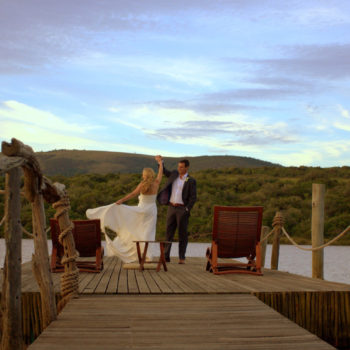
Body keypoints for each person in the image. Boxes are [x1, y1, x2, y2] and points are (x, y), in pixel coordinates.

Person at [86, 158, 163, 263]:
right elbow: (160, 173)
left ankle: (142, 254)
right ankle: (147, 256)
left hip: (141, 210)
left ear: (145, 175)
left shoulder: (142, 184)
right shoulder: (156, 183)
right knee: (148, 233)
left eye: (143, 174)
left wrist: (121, 200)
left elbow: (132, 194)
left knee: (137, 229)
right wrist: (160, 163)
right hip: (151, 211)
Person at [156, 156, 197, 264]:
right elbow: (164, 171)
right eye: (179, 166)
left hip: (182, 209)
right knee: (168, 233)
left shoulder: (191, 180)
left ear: (187, 168)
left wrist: (187, 209)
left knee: (182, 234)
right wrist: (161, 162)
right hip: (171, 207)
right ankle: (166, 256)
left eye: (182, 167)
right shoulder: (174, 175)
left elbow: (193, 197)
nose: (179, 168)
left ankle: (181, 257)